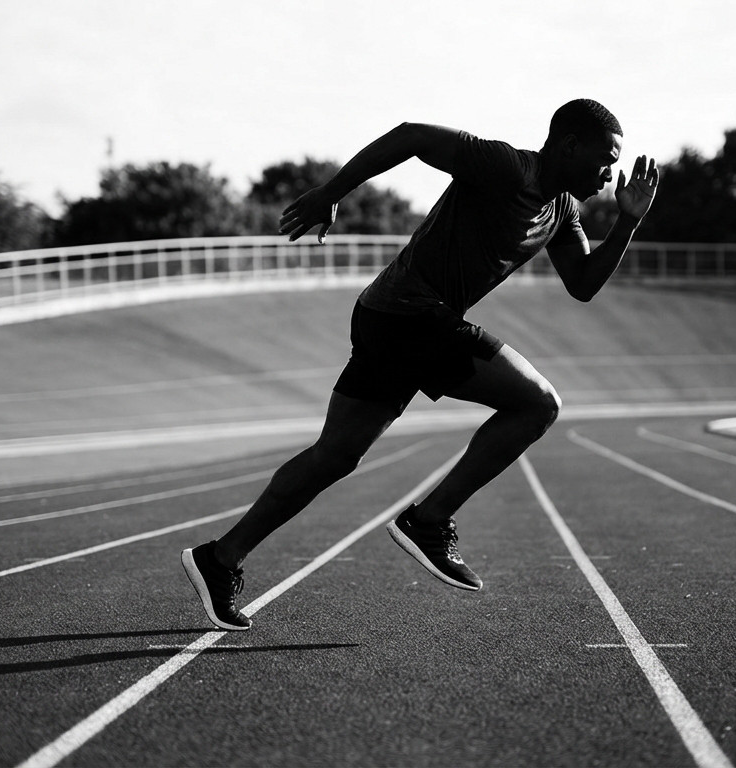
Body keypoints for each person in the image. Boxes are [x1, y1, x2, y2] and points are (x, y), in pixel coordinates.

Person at [182, 98, 658, 631]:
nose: (611, 174)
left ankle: (219, 559)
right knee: (537, 404)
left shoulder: (562, 210)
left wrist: (627, 222)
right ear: (569, 145)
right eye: (605, 160)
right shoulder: (505, 167)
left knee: (334, 457)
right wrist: (329, 194)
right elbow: (412, 135)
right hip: (410, 314)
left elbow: (584, 283)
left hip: (388, 317)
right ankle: (428, 522)